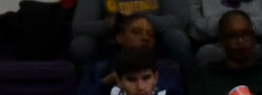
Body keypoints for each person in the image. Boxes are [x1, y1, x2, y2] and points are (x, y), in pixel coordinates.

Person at [72, 0, 200, 69]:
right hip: (113, 44)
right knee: (81, 44)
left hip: (154, 42)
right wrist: (110, 23)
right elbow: (79, 27)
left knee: (176, 38)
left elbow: (180, 20)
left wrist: (142, 20)